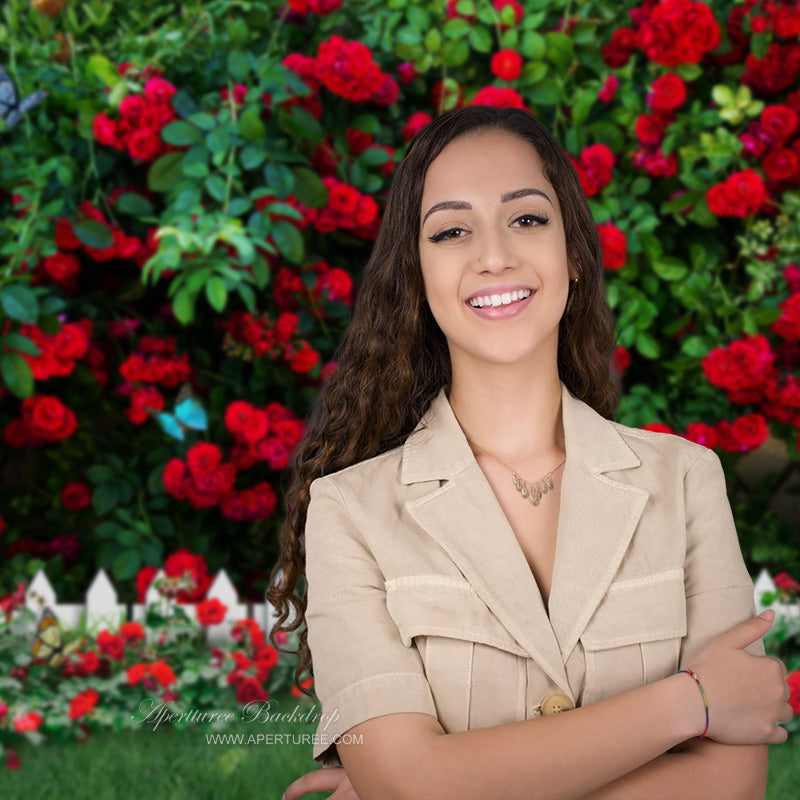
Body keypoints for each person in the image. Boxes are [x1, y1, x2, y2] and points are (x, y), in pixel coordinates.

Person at [269, 106, 792, 800]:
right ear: (417, 276)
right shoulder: (350, 512)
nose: (495, 255)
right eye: (452, 230)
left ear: (572, 252)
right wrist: (689, 703)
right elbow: (407, 784)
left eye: (527, 219)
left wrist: (439, 782)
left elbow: (731, 786)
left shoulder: (687, 482)